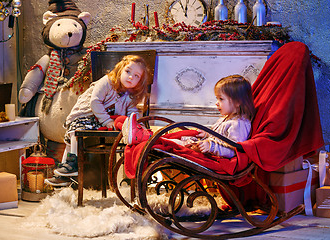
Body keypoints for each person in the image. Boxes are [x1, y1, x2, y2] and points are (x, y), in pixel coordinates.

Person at [45, 55, 151, 186]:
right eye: (128, 71)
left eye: (136, 76)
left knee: (73, 138)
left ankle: (66, 171)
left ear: (140, 81)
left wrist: (134, 124)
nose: (130, 77)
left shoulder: (131, 96)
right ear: (120, 70)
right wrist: (106, 121)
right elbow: (95, 101)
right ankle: (71, 164)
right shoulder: (107, 81)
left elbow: (133, 114)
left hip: (100, 121)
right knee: (75, 132)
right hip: (86, 113)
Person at [123, 74, 255, 159]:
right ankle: (141, 135)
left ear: (238, 102)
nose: (216, 103)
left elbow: (235, 151)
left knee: (171, 143)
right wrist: (205, 135)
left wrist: (211, 147)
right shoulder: (225, 119)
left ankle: (140, 136)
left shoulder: (238, 124)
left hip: (206, 155)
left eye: (221, 99)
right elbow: (217, 136)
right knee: (172, 137)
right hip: (199, 147)